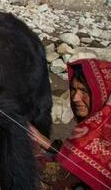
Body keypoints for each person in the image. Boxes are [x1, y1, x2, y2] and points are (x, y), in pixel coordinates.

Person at [30, 59, 111, 189]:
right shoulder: (94, 130)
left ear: (103, 93)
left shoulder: (104, 133)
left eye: (84, 91)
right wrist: (40, 139)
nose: (75, 98)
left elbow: (61, 176)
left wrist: (29, 147)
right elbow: (77, 160)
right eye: (73, 89)